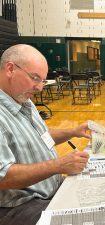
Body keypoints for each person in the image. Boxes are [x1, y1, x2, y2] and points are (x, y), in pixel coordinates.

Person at [0, 44, 90, 225]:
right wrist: (58, 165)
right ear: (10, 69)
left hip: (50, 189)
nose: (40, 87)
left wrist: (72, 132)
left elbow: (41, 137)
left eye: (42, 80)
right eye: (35, 78)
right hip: (19, 206)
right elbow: (3, 177)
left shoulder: (22, 98)